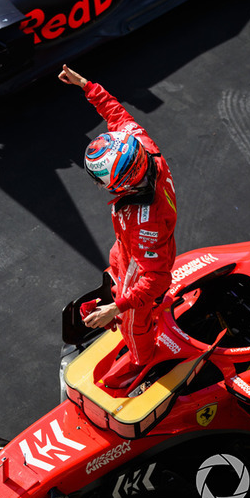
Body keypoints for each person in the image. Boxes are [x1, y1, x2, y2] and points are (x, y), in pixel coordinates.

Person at [59, 64, 178, 388]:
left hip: (142, 264)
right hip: (127, 248)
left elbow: (157, 277)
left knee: (134, 323)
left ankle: (142, 360)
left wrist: (117, 308)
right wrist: (85, 85)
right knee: (114, 263)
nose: (100, 187)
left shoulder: (147, 225)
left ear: (125, 184)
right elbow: (117, 114)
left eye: (103, 182)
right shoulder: (141, 146)